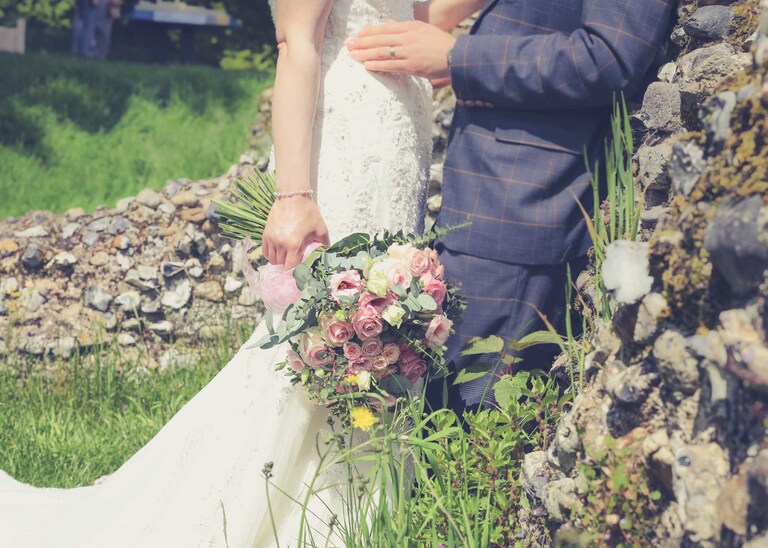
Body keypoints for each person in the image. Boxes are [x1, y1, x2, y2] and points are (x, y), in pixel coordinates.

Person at [0, 0, 431, 546]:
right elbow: (295, 41)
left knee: (387, 319)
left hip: (395, 140)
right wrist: (293, 196)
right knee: (326, 325)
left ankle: (363, 500)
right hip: (345, 140)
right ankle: (296, 506)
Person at [348, 0, 676, 409]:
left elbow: (607, 58)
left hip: (522, 205)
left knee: (468, 416)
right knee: (435, 409)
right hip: (488, 196)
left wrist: (458, 56)